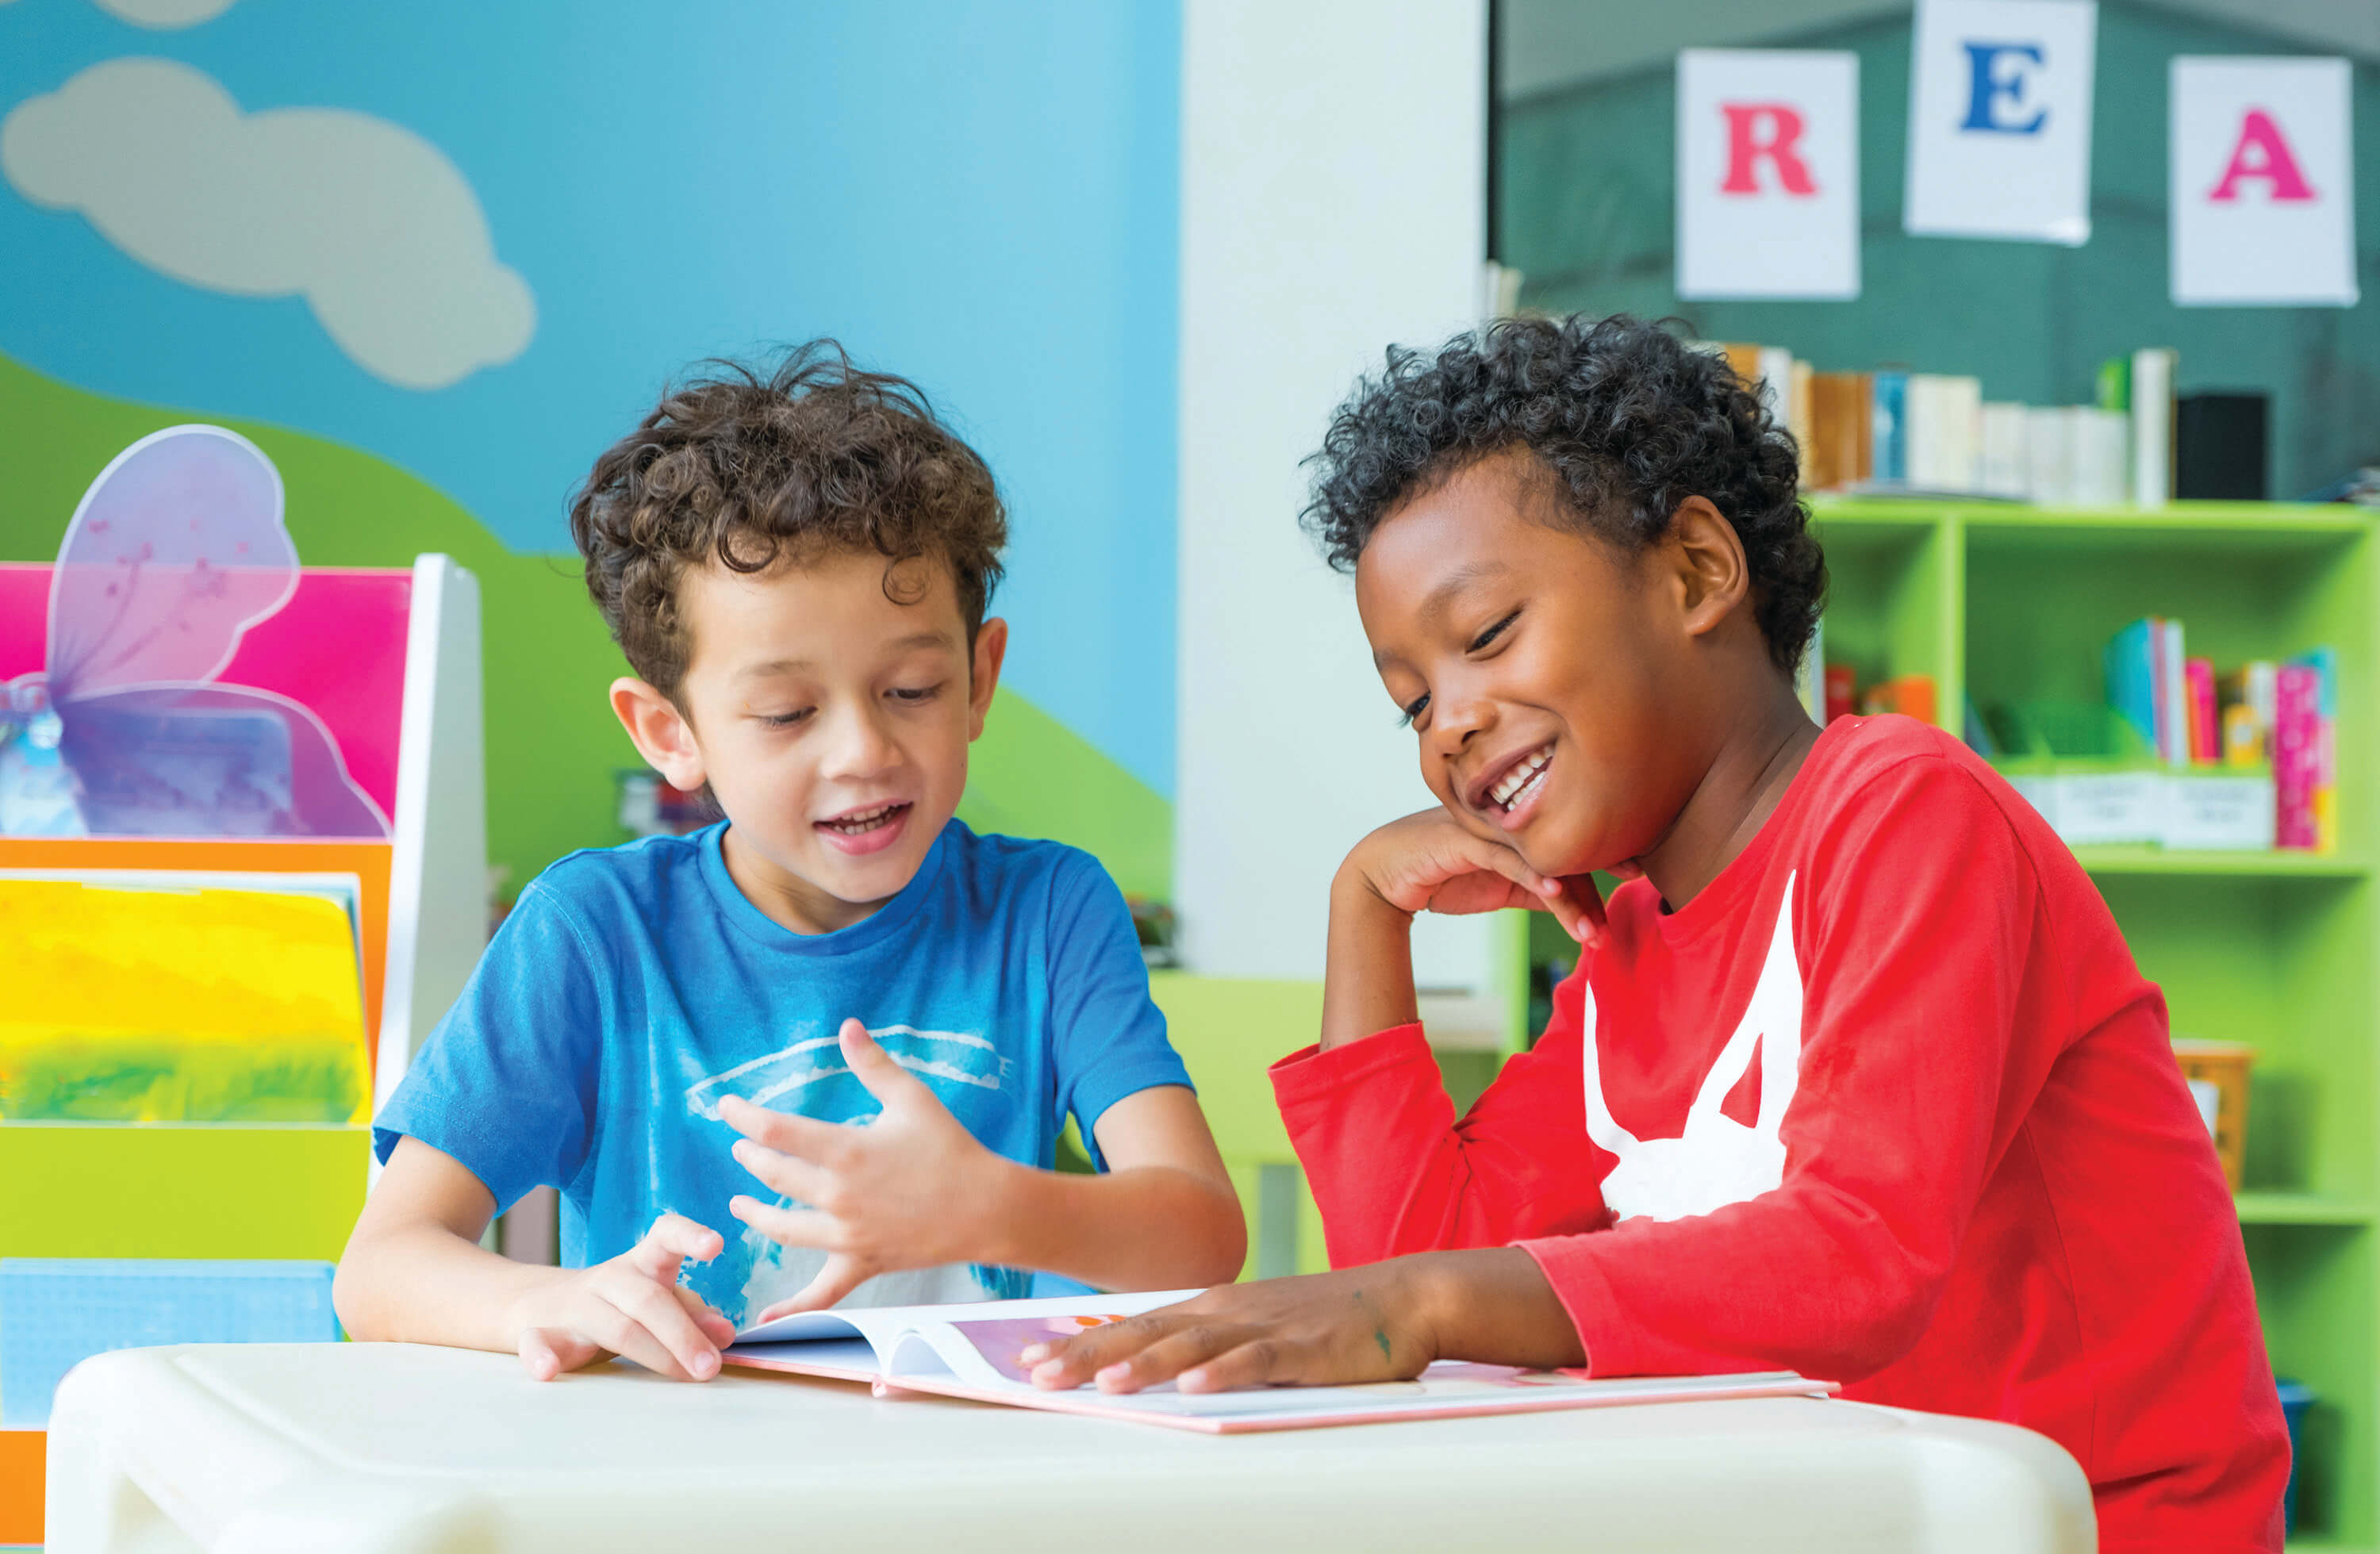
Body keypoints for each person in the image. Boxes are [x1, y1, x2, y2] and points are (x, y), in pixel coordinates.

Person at [1022, 315, 2287, 1551]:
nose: (1448, 725)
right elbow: (1419, 1271)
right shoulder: (1629, 950)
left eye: (1486, 637)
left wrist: (1411, 1305)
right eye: (1412, 702)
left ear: (1695, 572)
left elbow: (1860, 1254)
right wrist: (1367, 909)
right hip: (1834, 1517)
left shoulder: (1906, 811)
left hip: (2084, 1528)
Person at [336, 345, 1244, 1383]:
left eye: (910, 689)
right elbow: (379, 1269)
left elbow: (1202, 1235)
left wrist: (986, 1206)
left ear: (980, 678)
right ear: (670, 731)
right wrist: (547, 1297)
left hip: (972, 1488)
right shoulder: (593, 933)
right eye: (786, 713)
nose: (862, 751)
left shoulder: (1048, 911)